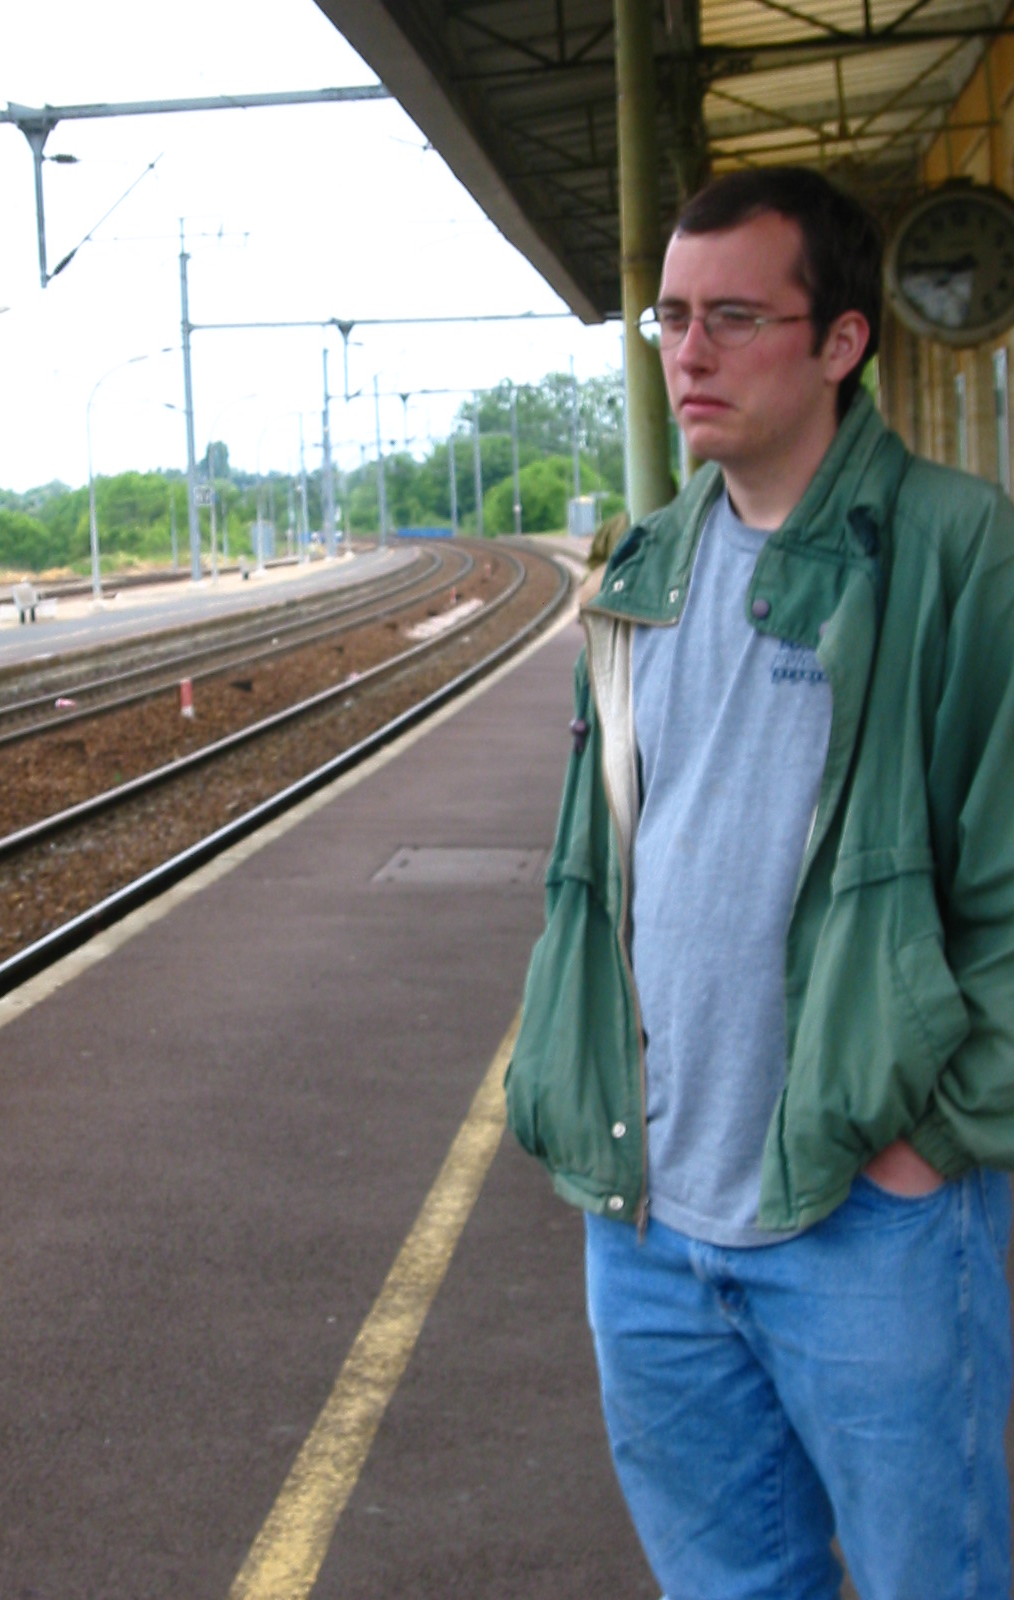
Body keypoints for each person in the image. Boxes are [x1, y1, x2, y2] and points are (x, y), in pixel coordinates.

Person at [505, 165, 1014, 1600]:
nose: (690, 353)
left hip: (866, 1213)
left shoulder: (954, 549)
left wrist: (935, 1146)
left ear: (841, 341)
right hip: (652, 1221)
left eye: (735, 317)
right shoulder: (645, 568)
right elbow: (600, 875)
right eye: (670, 317)